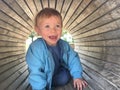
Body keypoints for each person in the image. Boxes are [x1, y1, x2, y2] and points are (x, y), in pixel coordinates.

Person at [26, 8, 88, 90]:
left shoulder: (64, 45)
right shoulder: (36, 48)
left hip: (56, 73)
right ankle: (44, 84)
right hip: (42, 76)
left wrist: (77, 76)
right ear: (38, 30)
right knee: (38, 79)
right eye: (47, 26)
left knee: (65, 77)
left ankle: (51, 82)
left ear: (62, 28)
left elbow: (73, 58)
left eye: (57, 26)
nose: (53, 30)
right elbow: (36, 72)